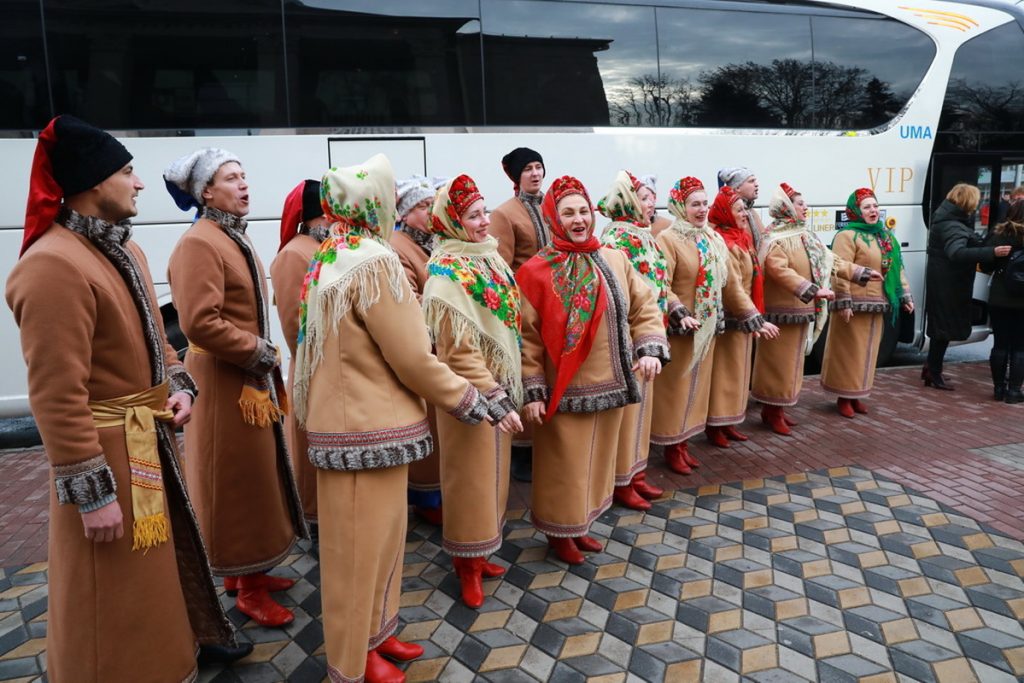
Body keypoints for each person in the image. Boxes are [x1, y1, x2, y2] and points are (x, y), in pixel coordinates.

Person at [6, 115, 238, 682]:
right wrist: (92, 494)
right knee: (111, 583)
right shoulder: (52, 265)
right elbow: (56, 394)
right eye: (127, 171)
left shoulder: (124, 250)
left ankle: (178, 649)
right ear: (92, 180)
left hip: (147, 437)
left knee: (158, 564)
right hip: (108, 455)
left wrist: (178, 383)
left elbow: (158, 337)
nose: (139, 183)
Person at [294, 154, 494, 683]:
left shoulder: (333, 252)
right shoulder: (373, 260)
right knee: (359, 553)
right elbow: (411, 356)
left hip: (355, 426)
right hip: (367, 428)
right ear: (376, 204)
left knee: (377, 544)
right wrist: (466, 398)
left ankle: (376, 635)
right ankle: (352, 659)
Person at [165, 148, 307, 627]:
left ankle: (248, 573)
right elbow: (199, 322)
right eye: (231, 178)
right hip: (225, 384)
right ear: (206, 192)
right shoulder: (199, 243)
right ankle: (247, 589)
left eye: (244, 175)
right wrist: (259, 352)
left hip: (242, 378)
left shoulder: (226, 235)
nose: (244, 184)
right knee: (237, 482)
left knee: (254, 476)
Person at [519, 175, 669, 565]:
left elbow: (644, 305)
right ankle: (560, 532)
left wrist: (649, 346)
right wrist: (532, 390)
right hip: (564, 391)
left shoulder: (614, 259)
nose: (579, 219)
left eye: (584, 211)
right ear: (554, 218)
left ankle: (580, 524)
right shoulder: (535, 271)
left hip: (613, 384)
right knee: (565, 467)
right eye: (568, 213)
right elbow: (527, 337)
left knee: (596, 463)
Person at [422, 174, 523, 608]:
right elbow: (457, 353)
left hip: (498, 391)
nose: (484, 222)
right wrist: (495, 397)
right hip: (472, 399)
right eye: (473, 216)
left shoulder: (487, 258)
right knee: (469, 483)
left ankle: (481, 553)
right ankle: (466, 563)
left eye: (485, 213)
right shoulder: (445, 275)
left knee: (493, 479)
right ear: (452, 221)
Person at [751, 184, 878, 433]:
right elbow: (779, 270)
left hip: (800, 311)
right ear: (786, 207)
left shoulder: (804, 235)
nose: (805, 207)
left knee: (793, 363)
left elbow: (830, 260)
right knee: (777, 363)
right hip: (781, 312)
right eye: (800, 203)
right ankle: (771, 409)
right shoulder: (774, 237)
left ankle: (778, 409)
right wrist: (811, 289)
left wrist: (860, 272)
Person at [651, 177, 758, 472]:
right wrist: (679, 312)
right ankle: (671, 445)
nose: (701, 210)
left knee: (696, 390)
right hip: (681, 332)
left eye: (704, 204)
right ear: (679, 206)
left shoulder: (712, 238)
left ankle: (684, 443)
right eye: (694, 204)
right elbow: (661, 284)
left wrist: (752, 316)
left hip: (707, 329)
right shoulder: (668, 239)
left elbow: (731, 284)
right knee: (676, 390)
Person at [598, 170, 677, 510]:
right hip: (631, 340)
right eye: (643, 198)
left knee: (642, 413)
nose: (650, 204)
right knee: (630, 415)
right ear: (628, 201)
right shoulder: (618, 238)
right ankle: (622, 479)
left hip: (649, 336)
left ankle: (637, 473)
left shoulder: (641, 234)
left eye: (651, 198)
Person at [270, 179, 329, 547]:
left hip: (328, 367)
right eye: (327, 212)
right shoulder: (295, 254)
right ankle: (315, 521)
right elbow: (295, 324)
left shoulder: (319, 247)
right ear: (312, 217)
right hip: (312, 369)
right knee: (310, 452)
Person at [821, 189, 914, 417]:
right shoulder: (847, 236)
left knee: (869, 354)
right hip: (854, 306)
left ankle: (857, 394)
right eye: (867, 207)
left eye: (875, 206)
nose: (873, 211)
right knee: (849, 353)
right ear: (856, 211)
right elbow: (838, 269)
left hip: (878, 304)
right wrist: (844, 301)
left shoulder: (885, 236)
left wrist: (905, 296)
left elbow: (897, 268)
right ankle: (844, 396)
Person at [489, 146, 548, 482]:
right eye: (528, 168)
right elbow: (502, 268)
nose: (535, 173)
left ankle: (543, 442)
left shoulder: (552, 206)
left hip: (552, 306)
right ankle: (523, 449)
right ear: (516, 175)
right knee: (525, 372)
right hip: (523, 307)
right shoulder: (504, 214)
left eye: (538, 166)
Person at [705, 187, 780, 447]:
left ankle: (729, 422)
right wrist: (753, 316)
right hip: (732, 318)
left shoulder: (741, 238)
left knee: (738, 372)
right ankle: (716, 424)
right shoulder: (723, 242)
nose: (744, 214)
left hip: (743, 317)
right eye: (738, 210)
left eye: (744, 209)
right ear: (725, 212)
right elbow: (733, 285)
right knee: (725, 374)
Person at [391, 175, 445, 525]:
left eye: (431, 204)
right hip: (423, 351)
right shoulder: (398, 246)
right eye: (423, 206)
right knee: (428, 427)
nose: (430, 211)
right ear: (405, 213)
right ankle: (426, 498)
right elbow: (409, 302)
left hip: (440, 348)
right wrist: (451, 301)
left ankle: (434, 494)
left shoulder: (429, 241)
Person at [924, 183, 1008, 390]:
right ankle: (933, 371)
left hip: (942, 281)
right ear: (968, 202)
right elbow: (957, 252)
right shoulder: (953, 225)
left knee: (940, 328)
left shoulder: (946, 219)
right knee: (943, 329)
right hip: (949, 285)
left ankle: (931, 368)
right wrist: (992, 253)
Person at [982, 200, 1024, 402]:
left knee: (1000, 344)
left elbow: (985, 264)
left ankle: (998, 389)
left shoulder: (999, 234)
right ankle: (1014, 391)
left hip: (999, 296)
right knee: (1020, 346)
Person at [718, 166, 764, 247]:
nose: (756, 184)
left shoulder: (751, 211)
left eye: (755, 181)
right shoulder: (729, 214)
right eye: (751, 181)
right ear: (737, 187)